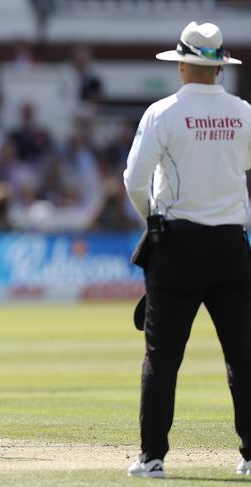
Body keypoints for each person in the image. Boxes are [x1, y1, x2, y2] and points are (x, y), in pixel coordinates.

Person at [124, 21, 251, 478]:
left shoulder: (162, 113)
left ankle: (152, 456)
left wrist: (152, 216)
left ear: (182, 64)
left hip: (176, 244)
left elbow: (134, 181)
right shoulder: (243, 112)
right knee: (243, 354)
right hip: (230, 245)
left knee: (162, 355)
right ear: (218, 68)